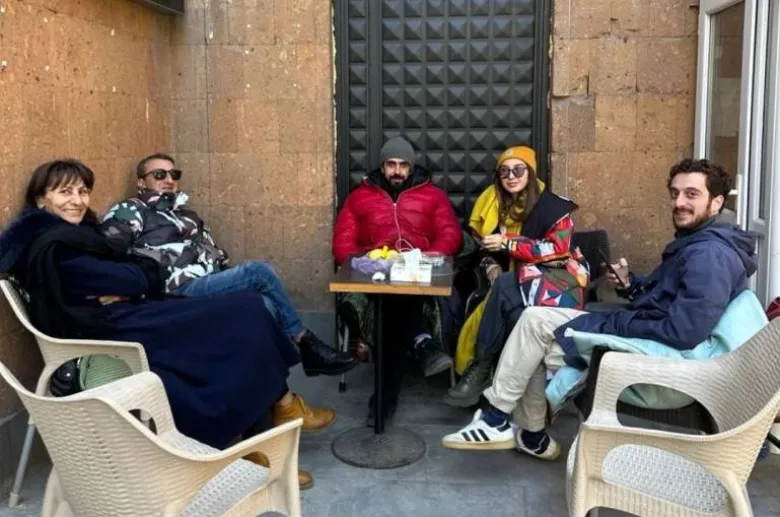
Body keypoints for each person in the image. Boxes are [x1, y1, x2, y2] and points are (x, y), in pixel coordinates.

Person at [0, 159, 332, 489]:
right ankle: (273, 425)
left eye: (83, 191)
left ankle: (270, 427)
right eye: (65, 192)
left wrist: (134, 278)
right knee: (243, 316)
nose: (77, 200)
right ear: (41, 199)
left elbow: (135, 271)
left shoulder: (76, 235)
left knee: (248, 310)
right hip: (110, 332)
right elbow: (133, 276)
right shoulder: (55, 245)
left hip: (130, 316)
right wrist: (135, 278)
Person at [441, 158, 757, 459]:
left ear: (716, 202)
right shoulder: (697, 243)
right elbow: (670, 300)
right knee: (532, 319)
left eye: (692, 194)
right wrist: (630, 285)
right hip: (650, 342)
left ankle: (500, 420)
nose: (679, 202)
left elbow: (684, 331)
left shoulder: (709, 256)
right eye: (675, 193)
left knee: (534, 335)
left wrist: (613, 324)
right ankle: (522, 430)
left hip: (662, 369)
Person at [100, 153, 358, 378]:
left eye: (173, 174)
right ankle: (305, 344)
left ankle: (270, 393)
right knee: (259, 271)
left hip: (208, 281)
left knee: (265, 305)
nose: (169, 180)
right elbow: (109, 249)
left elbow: (213, 252)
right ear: (141, 182)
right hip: (174, 288)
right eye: (159, 174)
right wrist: (121, 288)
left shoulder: (186, 214)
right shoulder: (132, 209)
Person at [443, 146, 589, 408]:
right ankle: (495, 382)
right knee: (508, 303)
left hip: (558, 283)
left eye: (518, 170)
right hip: (518, 282)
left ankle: (481, 369)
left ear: (530, 172)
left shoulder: (553, 207)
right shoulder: (496, 206)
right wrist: (490, 265)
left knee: (505, 289)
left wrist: (508, 243)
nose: (511, 176)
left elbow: (557, 249)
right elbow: (484, 250)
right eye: (504, 171)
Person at [332, 136, 463, 424]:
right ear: (382, 166)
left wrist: (427, 255)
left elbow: (451, 234)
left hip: (418, 275)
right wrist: (368, 261)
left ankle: (381, 404)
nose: (397, 171)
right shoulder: (359, 197)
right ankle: (422, 342)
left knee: (392, 310)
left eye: (403, 165)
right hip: (376, 275)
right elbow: (342, 243)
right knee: (392, 302)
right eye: (391, 164)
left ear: (411, 167)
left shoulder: (433, 196)